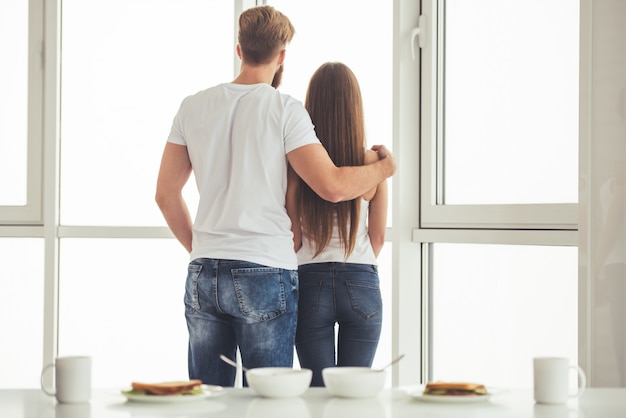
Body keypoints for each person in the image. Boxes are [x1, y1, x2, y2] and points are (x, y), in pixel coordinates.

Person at [155, 6, 396, 387]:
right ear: (282, 55)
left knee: (207, 399)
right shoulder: (285, 111)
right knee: (267, 399)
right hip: (264, 270)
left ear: (239, 49)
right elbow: (331, 185)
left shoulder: (192, 106)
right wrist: (383, 169)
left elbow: (166, 194)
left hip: (203, 270)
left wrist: (200, 247)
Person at [288, 62, 388, 387]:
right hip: (361, 279)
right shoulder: (374, 163)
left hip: (310, 280)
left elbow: (294, 238)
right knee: (352, 396)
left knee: (317, 394)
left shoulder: (298, 164)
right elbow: (377, 238)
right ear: (354, 107)